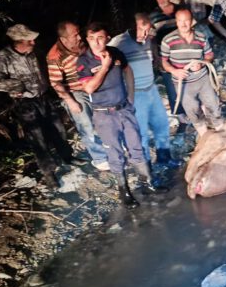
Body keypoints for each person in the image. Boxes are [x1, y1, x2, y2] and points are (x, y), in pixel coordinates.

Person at [77, 22, 166, 209]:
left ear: (107, 37)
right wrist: (104, 66)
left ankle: (147, 182)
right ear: (87, 40)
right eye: (92, 39)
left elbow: (127, 70)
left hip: (124, 109)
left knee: (136, 146)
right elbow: (89, 87)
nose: (96, 42)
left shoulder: (115, 52)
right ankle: (124, 191)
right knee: (115, 153)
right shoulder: (83, 61)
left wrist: (131, 97)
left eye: (100, 37)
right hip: (104, 115)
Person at [0, 24, 80, 188]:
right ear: (19, 41)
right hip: (25, 103)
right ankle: (49, 173)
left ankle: (67, 157)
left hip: (43, 98)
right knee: (38, 139)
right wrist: (14, 85)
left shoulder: (32, 53)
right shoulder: (4, 56)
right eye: (30, 41)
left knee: (58, 129)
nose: (33, 43)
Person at [109, 14, 178, 168]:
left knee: (162, 124)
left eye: (148, 31)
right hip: (136, 94)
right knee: (141, 133)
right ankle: (147, 169)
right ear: (133, 27)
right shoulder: (118, 43)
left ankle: (164, 158)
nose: (145, 35)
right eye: (142, 30)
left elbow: (152, 57)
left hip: (151, 89)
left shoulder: (147, 40)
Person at [46, 21, 110, 171]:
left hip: (94, 85)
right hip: (76, 92)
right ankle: (99, 158)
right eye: (75, 35)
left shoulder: (82, 45)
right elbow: (55, 82)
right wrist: (70, 101)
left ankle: (112, 147)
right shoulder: (55, 56)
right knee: (86, 124)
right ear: (64, 38)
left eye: (79, 33)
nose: (80, 37)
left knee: (105, 119)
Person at [161, 8, 224, 136]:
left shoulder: (201, 37)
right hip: (183, 83)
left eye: (187, 21)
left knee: (213, 106)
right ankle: (205, 137)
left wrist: (202, 63)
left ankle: (222, 133)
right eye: (180, 21)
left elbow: (209, 55)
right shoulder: (168, 40)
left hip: (202, 79)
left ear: (192, 21)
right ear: (176, 22)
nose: (184, 24)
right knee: (193, 111)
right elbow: (164, 62)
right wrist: (174, 71)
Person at [150, 0, 187, 122]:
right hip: (166, 58)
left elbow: (190, 30)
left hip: (184, 54)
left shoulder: (180, 10)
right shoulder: (153, 15)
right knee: (172, 90)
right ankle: (181, 119)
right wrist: (157, 59)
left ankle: (195, 113)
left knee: (190, 84)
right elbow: (152, 39)